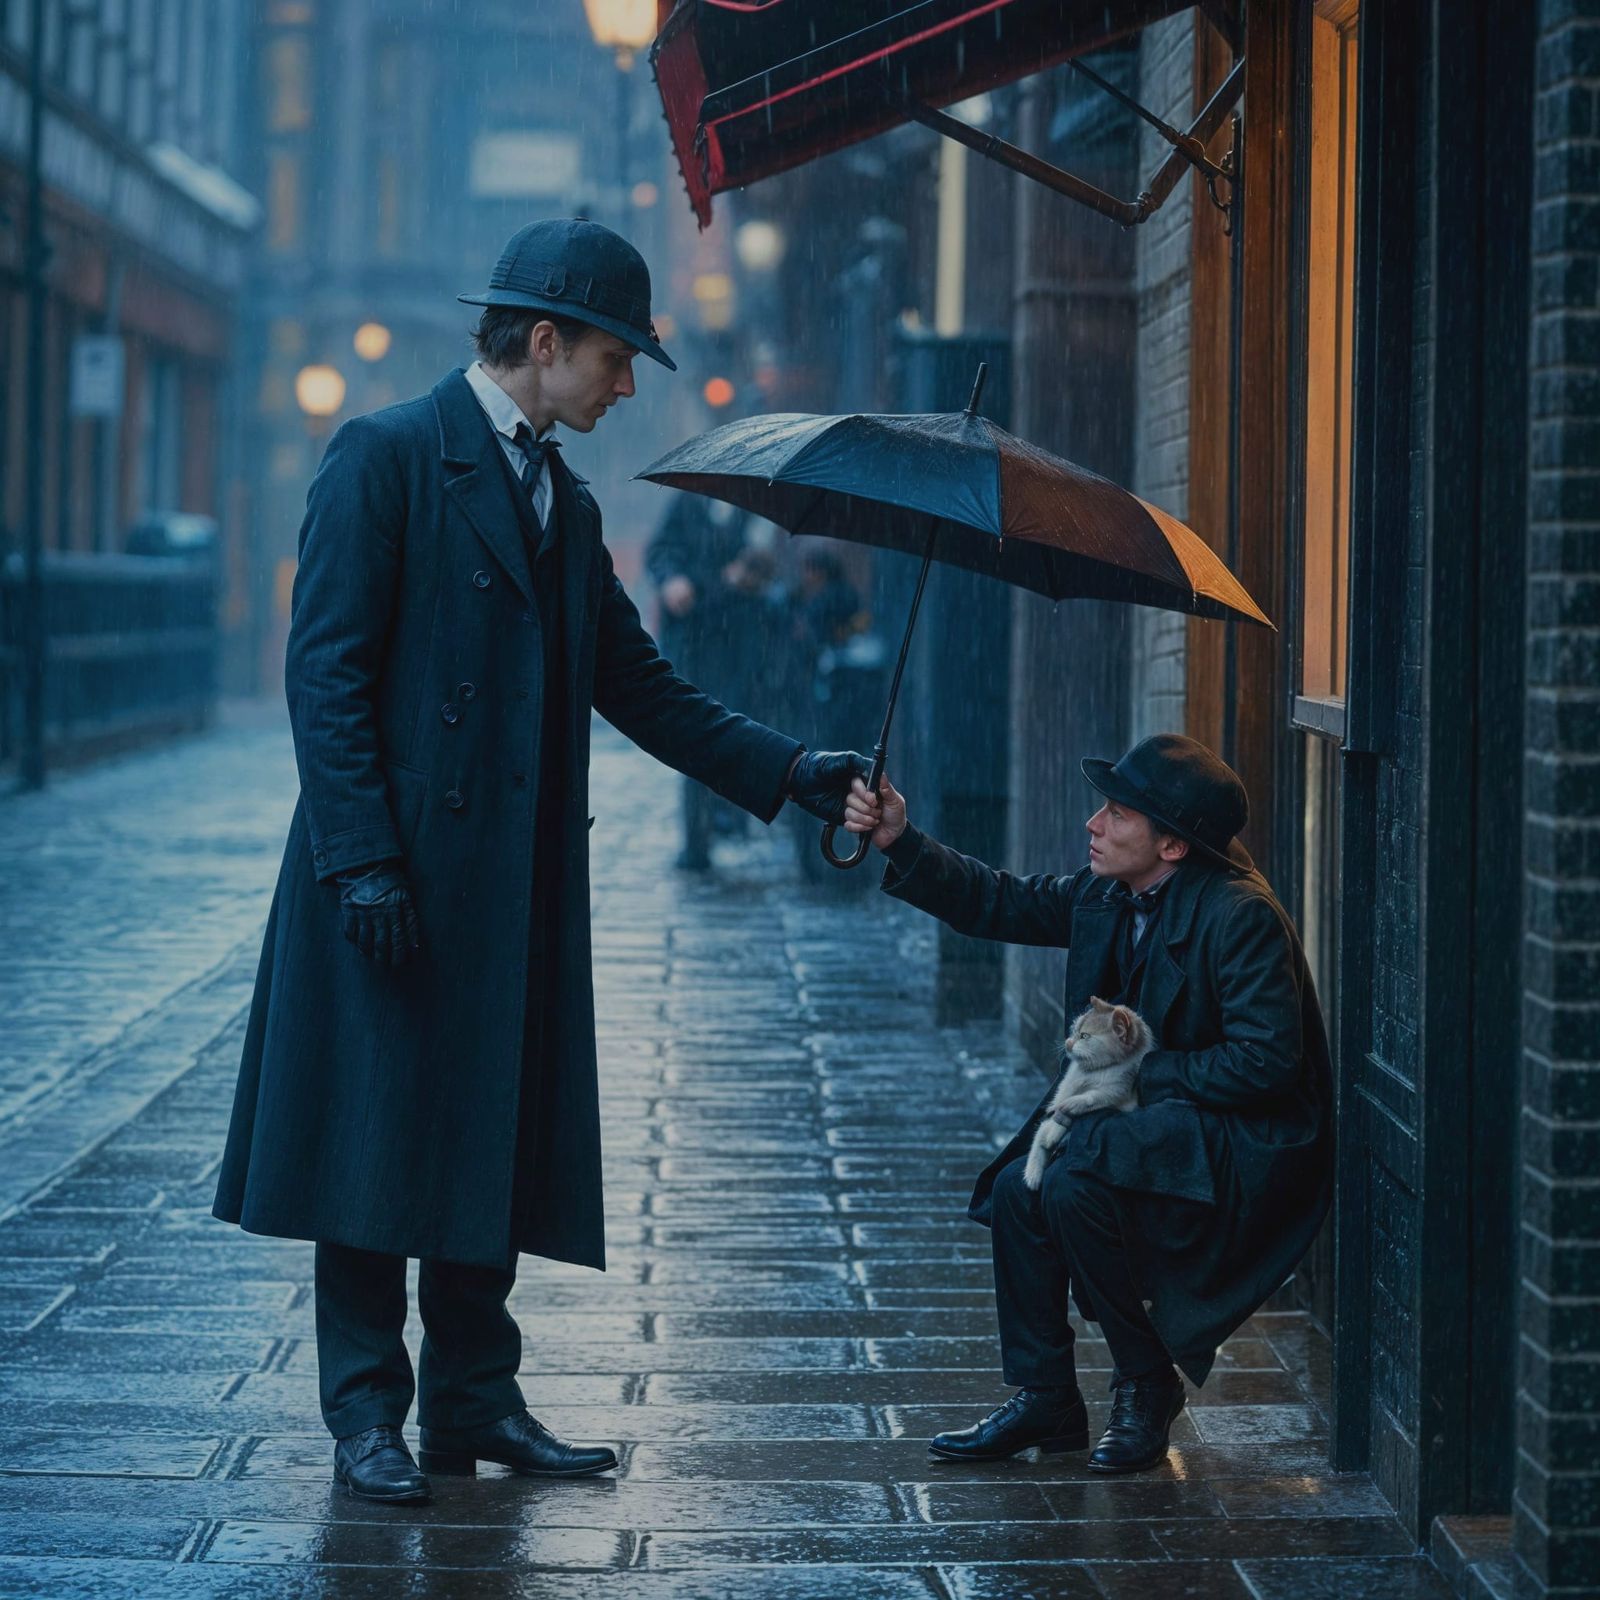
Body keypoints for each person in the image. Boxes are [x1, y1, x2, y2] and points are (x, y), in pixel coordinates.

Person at [211, 218, 867, 1504]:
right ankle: (365, 1414)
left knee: (484, 1133)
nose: (627, 387)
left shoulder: (562, 504)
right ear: (547, 341)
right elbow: (326, 676)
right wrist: (362, 868)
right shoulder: (387, 455)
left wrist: (796, 771)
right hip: (385, 877)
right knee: (369, 1141)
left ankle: (471, 1399)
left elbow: (644, 689)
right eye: (619, 360)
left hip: (504, 887)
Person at [843, 733, 1332, 1474]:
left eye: (1117, 814)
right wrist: (897, 838)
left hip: (1241, 1135)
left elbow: (1265, 1065)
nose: (1093, 825)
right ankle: (1047, 1397)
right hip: (1158, 1117)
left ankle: (1146, 1380)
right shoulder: (1109, 893)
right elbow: (999, 901)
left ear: (1171, 846)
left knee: (1071, 1180)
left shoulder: (1239, 916)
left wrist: (1134, 1074)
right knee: (1019, 1186)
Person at [645, 494, 752, 869]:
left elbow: (751, 574)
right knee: (696, 737)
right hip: (694, 643)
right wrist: (671, 579)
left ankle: (724, 819)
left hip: (736, 647)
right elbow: (659, 552)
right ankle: (698, 839)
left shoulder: (745, 513)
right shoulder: (687, 505)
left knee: (730, 734)